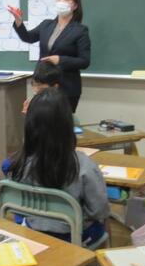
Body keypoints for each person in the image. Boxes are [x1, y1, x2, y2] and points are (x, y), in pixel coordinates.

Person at [7, 87, 109, 246]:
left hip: (33, 233)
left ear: (30, 124)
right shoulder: (83, 165)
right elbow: (99, 210)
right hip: (73, 237)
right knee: (101, 226)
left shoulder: (19, 163)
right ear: (67, 125)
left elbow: (16, 209)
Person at [8, 0, 91, 112]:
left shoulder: (80, 30)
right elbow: (28, 37)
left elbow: (84, 61)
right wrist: (19, 21)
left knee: (61, 122)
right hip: (43, 84)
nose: (61, 2)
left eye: (66, 0)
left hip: (67, 87)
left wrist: (60, 60)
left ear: (75, 6)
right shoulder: (46, 24)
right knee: (42, 120)